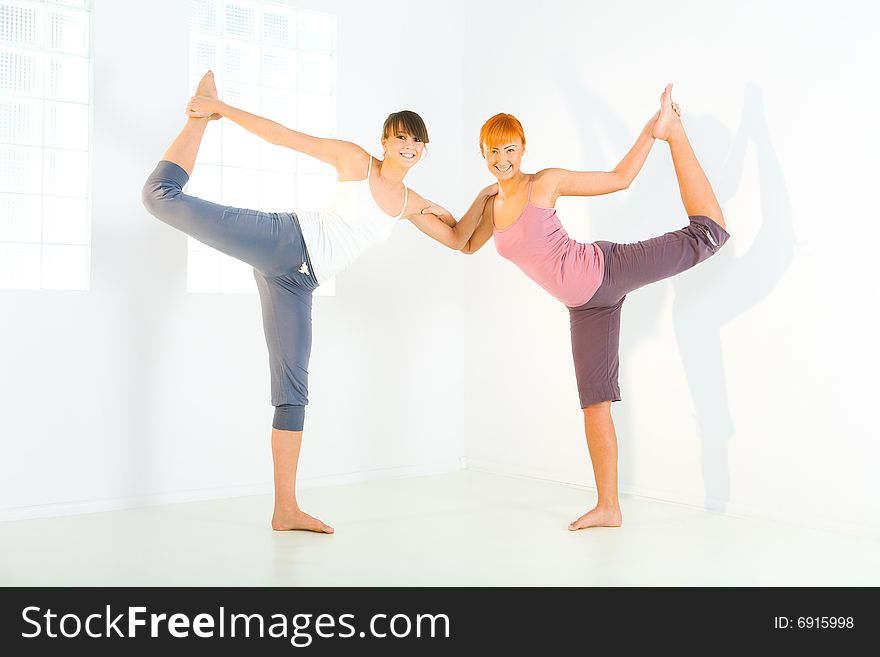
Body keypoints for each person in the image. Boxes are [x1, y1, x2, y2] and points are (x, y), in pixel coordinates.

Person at [142, 71, 495, 533]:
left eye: (417, 141)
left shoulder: (412, 202)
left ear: (423, 150)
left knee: (293, 396)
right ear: (385, 141)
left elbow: (460, 242)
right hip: (286, 243)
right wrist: (219, 110)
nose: (409, 146)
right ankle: (199, 115)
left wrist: (491, 197)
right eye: (401, 137)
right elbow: (286, 137)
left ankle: (285, 510)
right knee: (159, 197)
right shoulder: (355, 161)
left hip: (298, 284)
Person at [425, 84, 729, 530]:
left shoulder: (544, 182)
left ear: (523, 148)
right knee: (594, 403)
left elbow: (619, 179)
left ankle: (675, 132)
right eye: (493, 151)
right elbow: (460, 241)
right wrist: (414, 210)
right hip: (586, 309)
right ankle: (609, 507)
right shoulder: (491, 201)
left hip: (607, 269)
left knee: (708, 235)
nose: (502, 159)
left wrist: (653, 130)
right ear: (483, 153)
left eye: (510, 149)